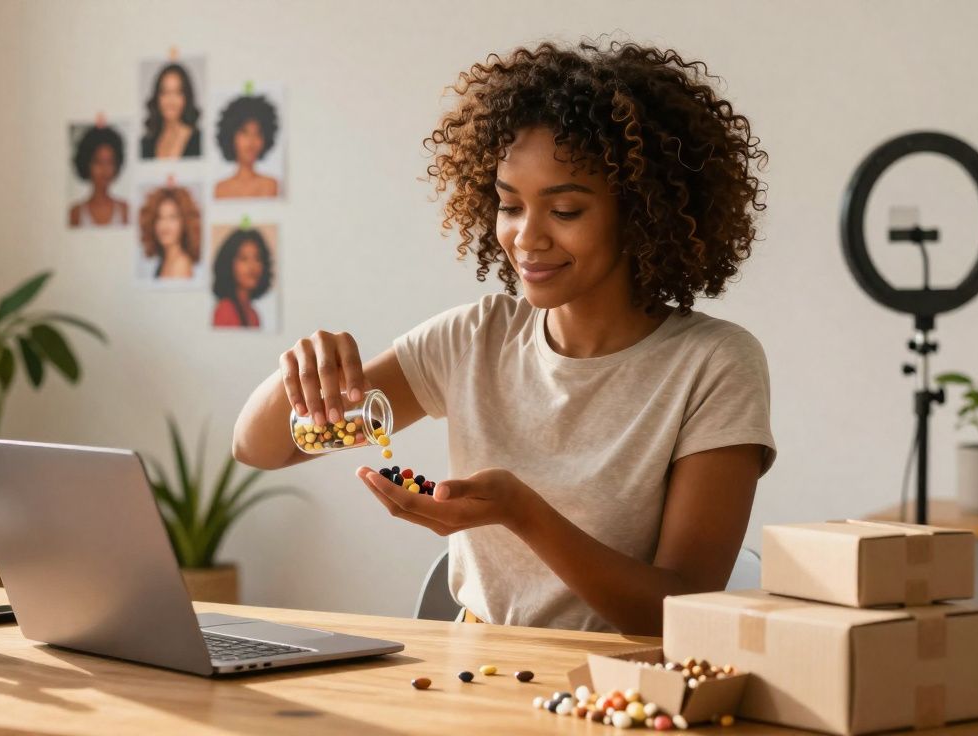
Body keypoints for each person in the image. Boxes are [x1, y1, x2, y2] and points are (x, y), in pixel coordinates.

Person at [231, 39, 776, 636]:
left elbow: (677, 612)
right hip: (475, 672)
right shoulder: (474, 339)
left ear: (643, 213)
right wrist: (301, 375)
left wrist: (523, 514)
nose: (525, 237)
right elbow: (260, 448)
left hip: (620, 687)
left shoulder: (714, 364)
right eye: (509, 205)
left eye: (564, 211)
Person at [213, 94, 280, 199]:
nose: (251, 142)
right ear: (230, 136)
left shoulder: (272, 185)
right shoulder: (220, 189)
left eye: (258, 134)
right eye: (244, 132)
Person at [211, 227, 273, 328]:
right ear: (228, 264)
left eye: (257, 258)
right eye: (244, 259)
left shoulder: (253, 315)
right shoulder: (225, 310)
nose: (252, 266)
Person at [68, 125, 128, 227]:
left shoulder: (125, 210)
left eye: (110, 162)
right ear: (87, 164)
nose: (104, 170)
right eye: (98, 162)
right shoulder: (75, 213)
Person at [138, 185, 202, 280]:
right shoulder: (164, 261)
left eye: (172, 217)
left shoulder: (181, 265)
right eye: (159, 218)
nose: (165, 225)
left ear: (185, 222)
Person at [140, 63, 201, 159]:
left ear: (186, 97)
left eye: (178, 93)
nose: (171, 101)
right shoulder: (146, 143)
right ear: (157, 97)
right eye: (165, 92)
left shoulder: (199, 140)